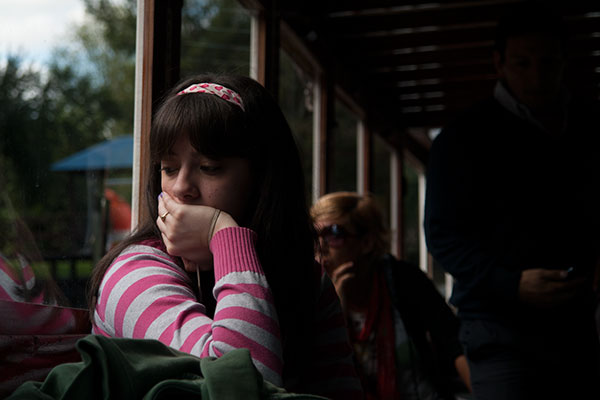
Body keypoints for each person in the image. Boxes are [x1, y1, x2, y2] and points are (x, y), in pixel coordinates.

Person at [87, 74, 362, 399]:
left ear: (261, 181)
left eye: (210, 167)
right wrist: (226, 234)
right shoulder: (134, 272)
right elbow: (240, 387)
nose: (181, 188)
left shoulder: (307, 279)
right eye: (169, 168)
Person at [424, 3, 600, 399]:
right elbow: (442, 238)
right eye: (523, 63)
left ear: (564, 62)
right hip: (497, 331)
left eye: (548, 63)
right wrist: (511, 283)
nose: (537, 77)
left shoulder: (589, 130)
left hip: (577, 327)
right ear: (498, 63)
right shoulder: (461, 140)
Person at [311, 191, 471, 400]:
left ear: (366, 242)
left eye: (333, 234)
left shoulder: (404, 280)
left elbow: (453, 343)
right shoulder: (312, 291)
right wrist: (336, 306)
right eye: (314, 235)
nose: (321, 246)